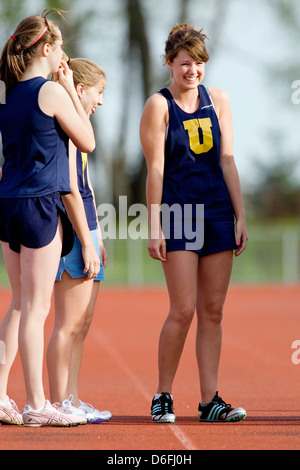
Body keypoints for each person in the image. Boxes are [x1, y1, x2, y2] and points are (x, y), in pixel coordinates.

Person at [139, 24, 248, 423]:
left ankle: (209, 401)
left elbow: (228, 160)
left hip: (218, 212)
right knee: (183, 310)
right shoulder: (158, 105)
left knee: (213, 310)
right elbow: (154, 169)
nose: (193, 70)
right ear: (170, 63)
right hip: (179, 215)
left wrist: (240, 215)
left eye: (199, 63)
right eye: (185, 63)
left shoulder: (218, 99)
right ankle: (163, 395)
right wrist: (155, 227)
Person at [0, 10, 100, 427]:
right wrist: (68, 88)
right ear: (45, 49)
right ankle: (37, 404)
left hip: (8, 202)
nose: (63, 54)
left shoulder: (7, 94)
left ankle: (3, 395)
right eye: (59, 47)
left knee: (19, 304)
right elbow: (88, 141)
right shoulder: (51, 92)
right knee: (37, 309)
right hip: (41, 205)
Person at [46, 57, 111, 424]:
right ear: (80, 89)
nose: (101, 102)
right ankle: (58, 402)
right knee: (67, 325)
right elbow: (69, 189)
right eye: (98, 93)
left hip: (87, 230)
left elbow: (85, 188)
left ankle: (71, 397)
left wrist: (97, 234)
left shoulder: (79, 130)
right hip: (71, 234)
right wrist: (85, 240)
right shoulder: (68, 129)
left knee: (81, 325)